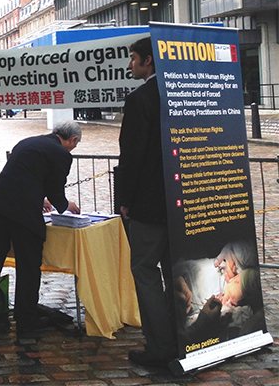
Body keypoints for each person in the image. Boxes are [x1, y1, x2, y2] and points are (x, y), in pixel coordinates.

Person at [0, 120, 81, 332]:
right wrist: (66, 205)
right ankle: (26, 317)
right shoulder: (61, 153)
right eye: (75, 144)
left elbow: (23, 175)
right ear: (73, 139)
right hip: (22, 214)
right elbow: (56, 189)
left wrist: (39, 197)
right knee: (29, 265)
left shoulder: (28, 142)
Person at [118, 37, 178, 368]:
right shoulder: (184, 92)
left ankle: (160, 347)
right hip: (184, 201)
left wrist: (125, 199)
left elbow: (133, 155)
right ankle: (184, 338)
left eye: (134, 59)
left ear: (149, 62)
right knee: (175, 271)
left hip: (150, 204)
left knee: (144, 270)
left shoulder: (141, 98)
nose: (130, 65)